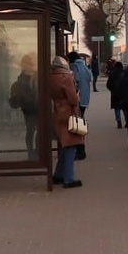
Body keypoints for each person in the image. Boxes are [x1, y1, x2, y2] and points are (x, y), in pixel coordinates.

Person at [48, 55, 84, 188]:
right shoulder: (66, 77)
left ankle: (58, 174)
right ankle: (68, 179)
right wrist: (77, 95)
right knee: (71, 145)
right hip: (69, 113)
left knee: (65, 144)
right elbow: (73, 99)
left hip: (57, 112)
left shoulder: (51, 77)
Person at [9, 54, 40, 157]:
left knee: (33, 130)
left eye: (30, 63)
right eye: (27, 63)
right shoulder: (25, 77)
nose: (29, 65)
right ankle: (32, 152)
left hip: (31, 106)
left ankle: (34, 152)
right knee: (32, 130)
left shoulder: (28, 76)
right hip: (30, 107)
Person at [67, 51, 93, 117]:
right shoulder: (84, 66)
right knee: (81, 115)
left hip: (77, 92)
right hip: (85, 93)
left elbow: (76, 78)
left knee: (75, 116)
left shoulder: (73, 66)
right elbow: (90, 77)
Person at [106, 59, 125, 129]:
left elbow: (108, 85)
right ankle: (127, 122)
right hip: (124, 93)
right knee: (125, 108)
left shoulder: (112, 74)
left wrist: (112, 90)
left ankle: (119, 122)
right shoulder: (124, 73)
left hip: (115, 93)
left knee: (117, 108)